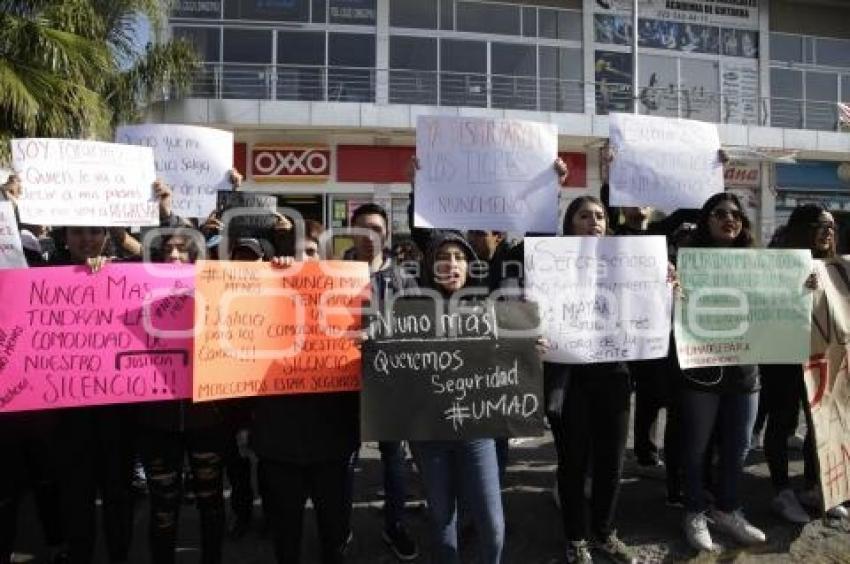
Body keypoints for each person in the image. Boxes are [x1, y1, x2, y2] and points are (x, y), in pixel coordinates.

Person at [254, 221, 360, 564]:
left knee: (334, 533)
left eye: (311, 252)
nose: (303, 258)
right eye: (294, 251)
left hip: (332, 440)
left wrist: (365, 343)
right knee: (286, 536)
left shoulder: (349, 297)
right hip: (278, 442)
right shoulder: (257, 296)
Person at [406, 232, 506, 564]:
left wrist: (529, 350)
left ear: (469, 266)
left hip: (477, 430)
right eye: (443, 257)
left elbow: (510, 360)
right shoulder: (407, 309)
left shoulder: (489, 307)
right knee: (442, 516)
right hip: (429, 434)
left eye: (460, 258)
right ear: (429, 265)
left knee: (491, 522)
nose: (452, 264)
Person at [547, 196, 637, 564]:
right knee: (573, 460)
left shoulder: (629, 261)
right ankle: (576, 537)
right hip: (571, 377)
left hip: (614, 375)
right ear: (569, 223)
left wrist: (667, 283)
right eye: (584, 216)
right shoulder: (550, 261)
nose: (593, 221)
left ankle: (604, 532)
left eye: (599, 216)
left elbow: (648, 300)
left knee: (611, 462)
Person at [678, 193, 767, 552]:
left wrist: (801, 289)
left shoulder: (762, 263)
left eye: (736, 214)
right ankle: (695, 510)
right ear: (706, 220)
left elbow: (778, 305)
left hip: (745, 369)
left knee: (738, 446)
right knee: (696, 447)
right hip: (702, 368)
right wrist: (672, 287)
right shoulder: (686, 262)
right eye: (719, 213)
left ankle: (728, 508)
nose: (729, 218)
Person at [135, 229, 228, 564]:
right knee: (162, 504)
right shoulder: (137, 293)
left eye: (183, 250)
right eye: (168, 251)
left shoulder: (220, 292)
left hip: (208, 417)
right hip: (155, 420)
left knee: (211, 500)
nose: (174, 256)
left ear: (196, 257)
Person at [47, 227, 137, 564]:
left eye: (94, 233)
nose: (87, 240)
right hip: (67, 414)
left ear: (106, 236)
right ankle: (79, 553)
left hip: (117, 413)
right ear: (65, 238)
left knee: (118, 493)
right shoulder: (42, 274)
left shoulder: (125, 271)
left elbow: (168, 265)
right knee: (75, 495)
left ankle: (119, 554)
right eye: (78, 233)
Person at [761, 204, 848, 523]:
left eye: (832, 227)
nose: (828, 231)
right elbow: (761, 305)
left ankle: (815, 485)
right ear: (800, 229)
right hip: (782, 353)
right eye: (820, 225)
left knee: (821, 419)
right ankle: (782, 491)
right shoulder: (776, 263)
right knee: (782, 420)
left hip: (822, 354)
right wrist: (793, 288)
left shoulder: (837, 266)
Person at [349, 203, 419, 561]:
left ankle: (396, 524)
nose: (369, 236)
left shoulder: (404, 278)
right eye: (362, 229)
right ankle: (340, 527)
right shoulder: (332, 273)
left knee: (394, 457)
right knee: (345, 458)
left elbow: (416, 326)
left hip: (391, 383)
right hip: (341, 382)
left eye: (376, 228)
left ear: (387, 233)